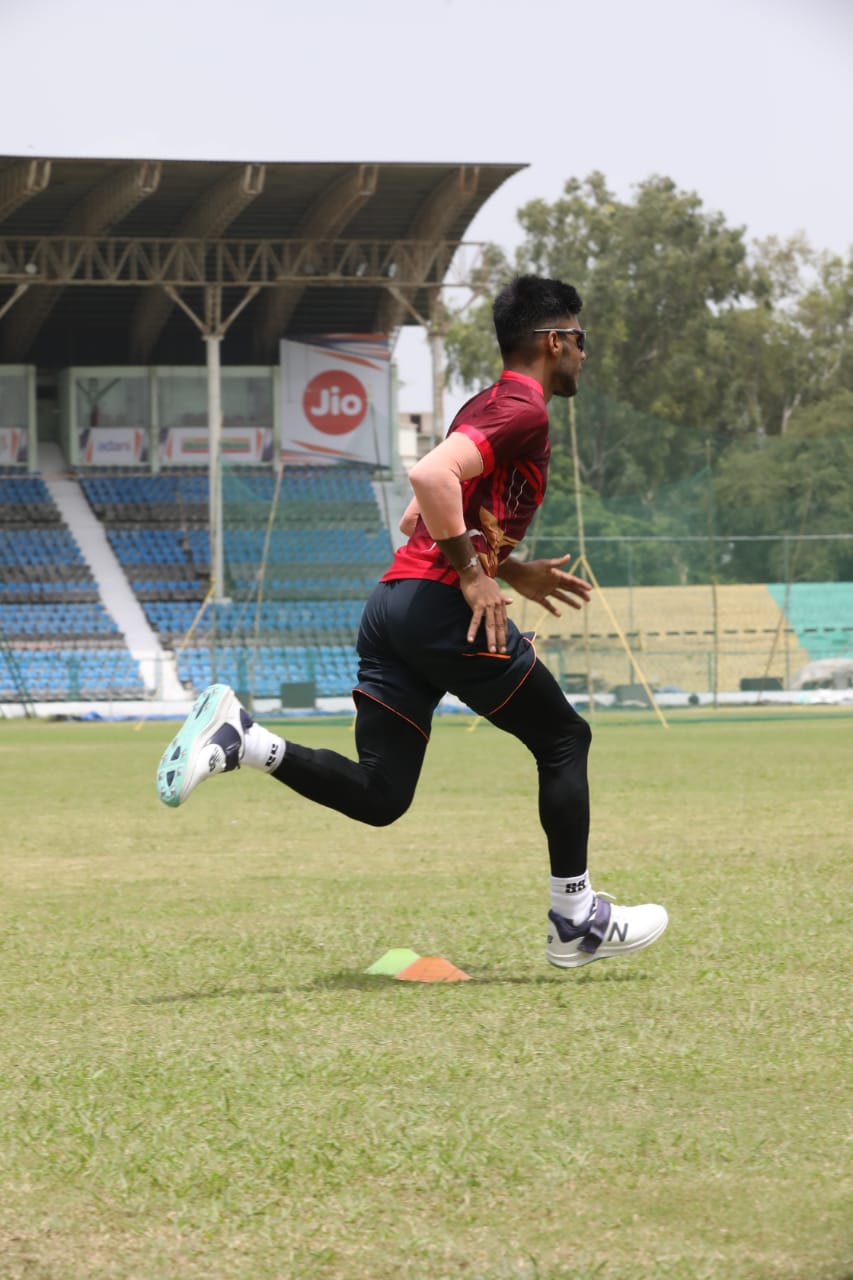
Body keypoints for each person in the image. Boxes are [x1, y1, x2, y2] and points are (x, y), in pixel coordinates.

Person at [156, 274, 667, 969]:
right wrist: (473, 574)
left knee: (381, 795)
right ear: (555, 341)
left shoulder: (482, 403)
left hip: (393, 607)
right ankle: (575, 919)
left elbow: (419, 515)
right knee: (562, 738)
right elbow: (428, 480)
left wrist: (509, 569)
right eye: (581, 341)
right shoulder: (523, 408)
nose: (584, 354)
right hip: (437, 608)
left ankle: (246, 741)